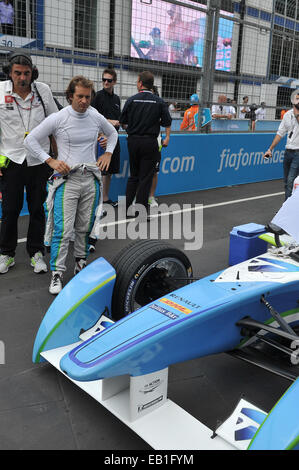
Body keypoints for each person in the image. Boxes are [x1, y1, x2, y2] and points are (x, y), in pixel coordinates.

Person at [24, 75, 118, 294]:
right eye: (79, 97)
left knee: (84, 227)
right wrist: (50, 161)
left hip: (91, 180)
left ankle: (80, 264)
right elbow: (30, 140)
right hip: (67, 181)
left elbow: (113, 134)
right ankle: (57, 273)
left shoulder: (95, 115)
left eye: (87, 97)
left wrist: (109, 154)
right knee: (63, 230)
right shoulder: (59, 117)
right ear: (70, 96)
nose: (84, 101)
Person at [0, 52, 58, 275]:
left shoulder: (42, 90)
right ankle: (7, 253)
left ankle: (36, 253)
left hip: (39, 159)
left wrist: (57, 157)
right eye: (17, 73)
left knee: (37, 209)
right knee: (10, 210)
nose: (22, 78)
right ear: (9, 73)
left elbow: (56, 123)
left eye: (26, 73)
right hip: (12, 159)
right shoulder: (1, 91)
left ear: (32, 72)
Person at [119, 71, 171, 217]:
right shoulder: (159, 102)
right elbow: (167, 122)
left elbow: (123, 122)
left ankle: (127, 209)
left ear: (140, 83)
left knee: (134, 175)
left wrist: (133, 128)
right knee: (146, 177)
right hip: (150, 142)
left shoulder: (131, 100)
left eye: (137, 82)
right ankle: (140, 212)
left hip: (133, 141)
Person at [91, 68, 121, 208]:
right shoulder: (97, 96)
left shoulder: (116, 99)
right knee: (99, 170)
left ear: (114, 82)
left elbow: (119, 120)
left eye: (109, 80)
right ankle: (97, 201)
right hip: (100, 138)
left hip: (113, 138)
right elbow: (92, 118)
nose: (106, 82)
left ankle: (105, 198)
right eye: (104, 80)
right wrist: (109, 123)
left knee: (109, 171)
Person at [263, 88, 299, 200]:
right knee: (287, 182)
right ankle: (291, 206)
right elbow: (280, 133)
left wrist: (297, 114)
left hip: (298, 153)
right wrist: (270, 149)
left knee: (290, 181)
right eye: (296, 98)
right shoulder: (287, 115)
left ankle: (287, 209)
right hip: (288, 152)